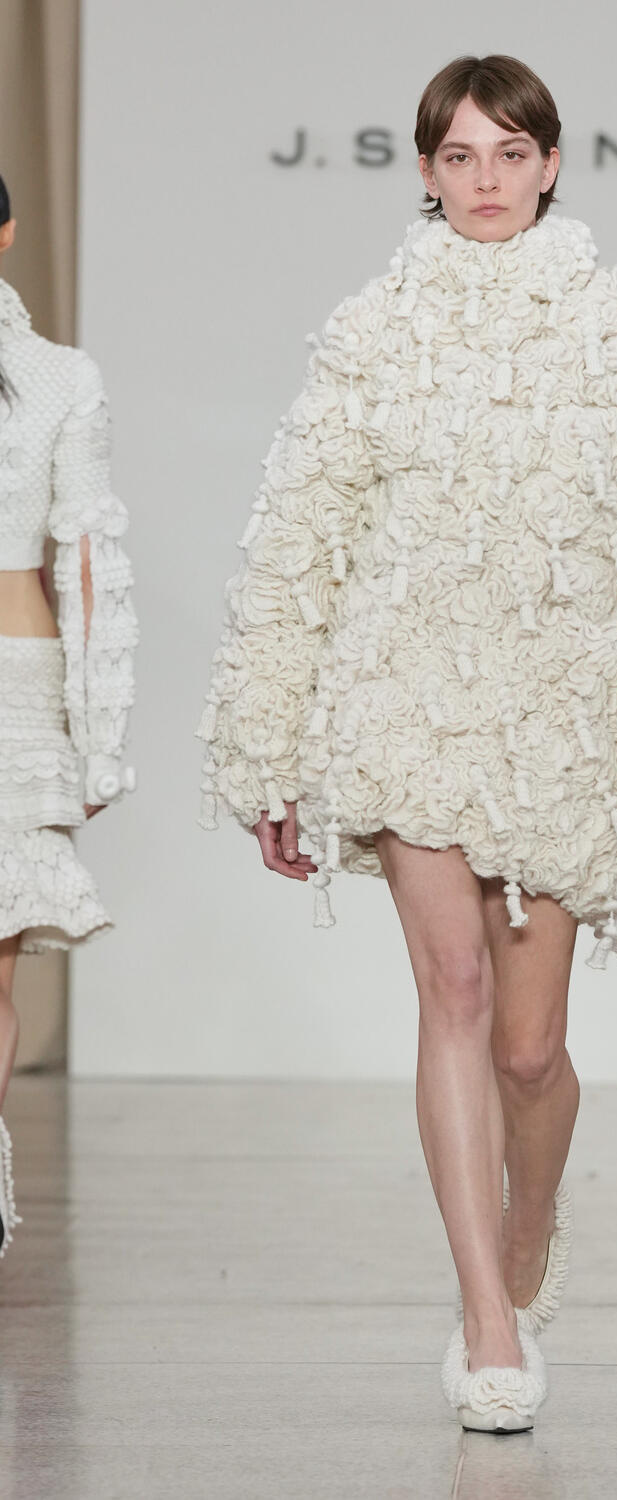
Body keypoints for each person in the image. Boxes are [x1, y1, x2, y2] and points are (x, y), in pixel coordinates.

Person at [196, 54, 617, 1432]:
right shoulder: (372, 330)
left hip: (566, 714)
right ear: (426, 172)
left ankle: (531, 1224)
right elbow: (299, 538)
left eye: (510, 154)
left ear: (551, 165)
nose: (487, 180)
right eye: (459, 156)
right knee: (448, 991)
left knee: (527, 1049)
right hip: (405, 697)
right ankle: (486, 1317)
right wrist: (266, 746)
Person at [0, 174, 138, 1260]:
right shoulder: (59, 377)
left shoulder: (55, 377)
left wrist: (95, 737)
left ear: (6, 231)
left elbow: (87, 564)